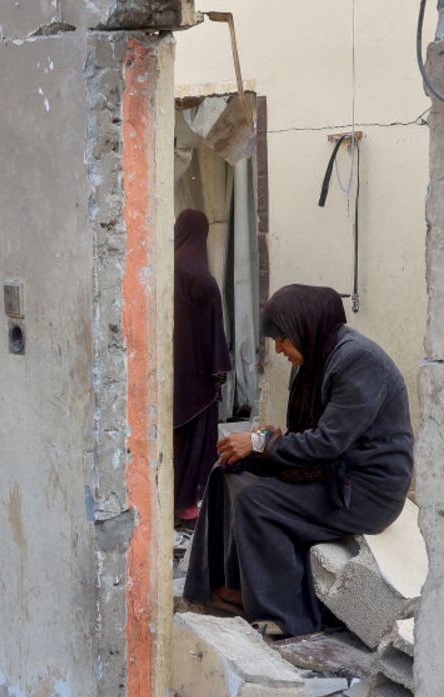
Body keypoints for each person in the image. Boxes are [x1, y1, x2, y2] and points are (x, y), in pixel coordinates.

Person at [182, 284, 413, 638]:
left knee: (258, 501)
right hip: (331, 473)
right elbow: (303, 434)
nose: (279, 349)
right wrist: (265, 443)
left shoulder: (358, 361)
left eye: (283, 339)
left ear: (305, 328)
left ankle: (284, 616)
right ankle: (224, 585)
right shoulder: (313, 358)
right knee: (228, 470)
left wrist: (261, 442)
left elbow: (326, 443)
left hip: (364, 492)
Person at [173, 209, 231, 523]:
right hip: (197, 372)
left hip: (176, 368)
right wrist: (217, 364)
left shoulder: (172, 264)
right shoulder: (197, 271)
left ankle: (175, 498)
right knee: (196, 436)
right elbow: (209, 326)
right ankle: (186, 503)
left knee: (179, 437)